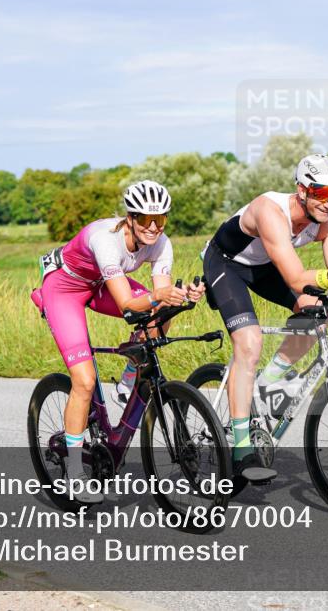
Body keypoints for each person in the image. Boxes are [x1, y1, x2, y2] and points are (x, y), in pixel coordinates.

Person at [202, 154, 328, 482]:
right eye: (321, 193)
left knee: (319, 314)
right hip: (226, 264)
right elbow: (295, 279)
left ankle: (266, 383)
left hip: (264, 268)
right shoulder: (270, 210)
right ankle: (241, 446)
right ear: (301, 190)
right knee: (249, 342)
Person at [30, 180, 205, 502]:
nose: (153, 227)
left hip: (99, 285)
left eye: (161, 219)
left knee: (160, 315)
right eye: (144, 219)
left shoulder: (161, 243)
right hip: (65, 289)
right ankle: (73, 471)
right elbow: (127, 304)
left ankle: (129, 380)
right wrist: (158, 296)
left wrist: (181, 297)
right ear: (130, 218)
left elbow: (158, 298)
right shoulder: (106, 240)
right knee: (84, 381)